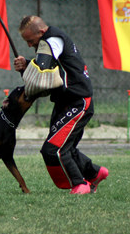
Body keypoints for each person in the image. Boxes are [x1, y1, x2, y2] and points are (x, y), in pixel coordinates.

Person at [15, 15, 108, 195]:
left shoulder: (52, 40)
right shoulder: (50, 41)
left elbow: (42, 74)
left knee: (53, 149)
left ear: (41, 32)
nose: (29, 45)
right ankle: (94, 173)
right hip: (65, 101)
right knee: (65, 146)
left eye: (30, 40)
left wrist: (28, 70)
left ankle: (80, 185)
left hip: (78, 101)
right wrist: (26, 64)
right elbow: (51, 71)